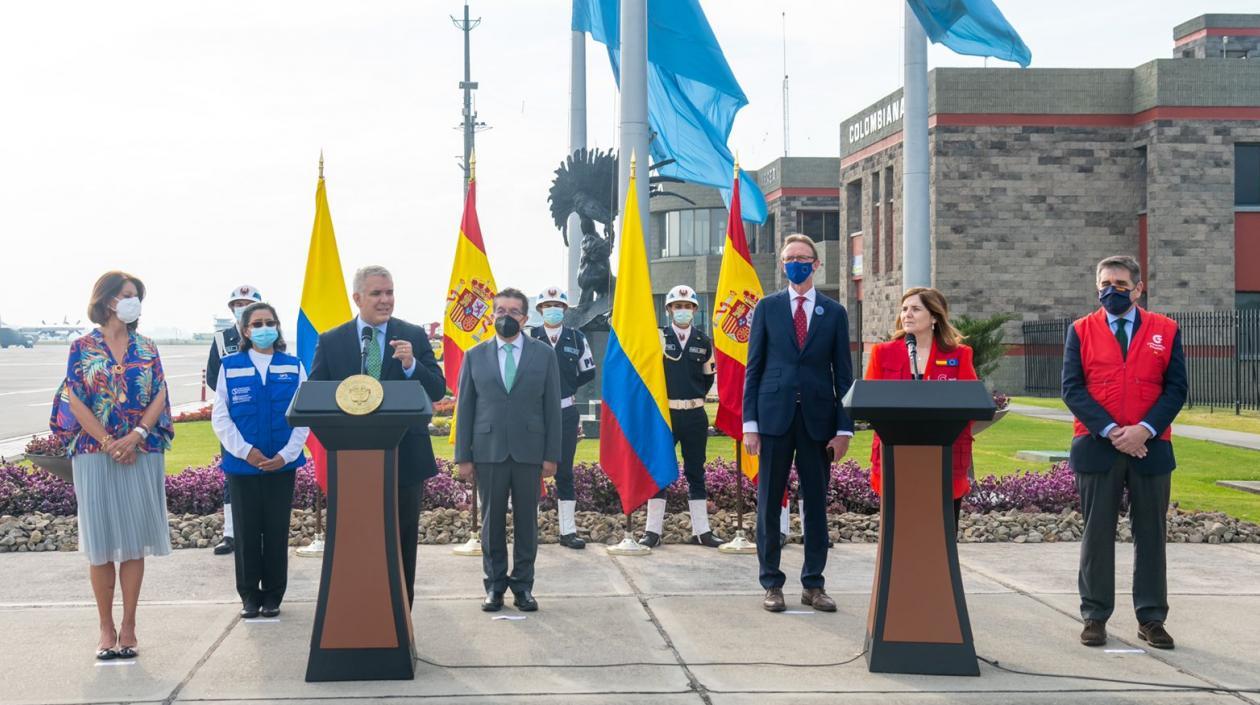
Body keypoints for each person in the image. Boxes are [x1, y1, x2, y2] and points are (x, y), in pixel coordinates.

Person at [1062, 255, 1186, 650]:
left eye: (1118, 284)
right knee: (1097, 534)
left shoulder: (1165, 330)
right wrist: (1113, 430)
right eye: (1104, 283)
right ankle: (1094, 615)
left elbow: (1176, 389)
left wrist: (1144, 431)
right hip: (1097, 445)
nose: (1109, 291)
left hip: (1151, 448)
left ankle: (1151, 618)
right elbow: (1072, 389)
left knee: (1151, 533)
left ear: (1138, 288)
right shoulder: (1080, 330)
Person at [50, 271, 173, 660]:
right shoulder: (81, 347)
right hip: (94, 452)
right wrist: (108, 442)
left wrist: (136, 435)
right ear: (106, 301)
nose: (132, 301)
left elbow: (159, 394)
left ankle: (130, 624)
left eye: (136, 295)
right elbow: (75, 399)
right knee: (101, 544)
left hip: (141, 450)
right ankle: (106, 627)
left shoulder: (148, 347)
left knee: (133, 541)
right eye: (126, 294)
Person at [308, 265, 445, 608]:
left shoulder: (411, 335)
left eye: (390, 292)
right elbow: (315, 394)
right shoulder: (332, 340)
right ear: (357, 298)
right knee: (359, 541)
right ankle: (361, 612)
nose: (385, 300)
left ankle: (401, 614)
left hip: (405, 459)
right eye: (376, 294)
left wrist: (413, 364)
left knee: (401, 541)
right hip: (352, 462)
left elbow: (439, 388)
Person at [743, 234, 853, 613]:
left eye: (803, 258)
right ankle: (772, 583)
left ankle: (814, 585)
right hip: (773, 420)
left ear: (816, 264)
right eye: (790, 258)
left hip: (818, 424)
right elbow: (753, 369)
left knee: (816, 506)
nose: (796, 263)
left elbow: (844, 377)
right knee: (769, 504)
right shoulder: (767, 308)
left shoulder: (834, 312)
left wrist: (844, 428)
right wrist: (749, 424)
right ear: (783, 265)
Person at [455, 288, 562, 612]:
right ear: (492, 315)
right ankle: (495, 587)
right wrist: (463, 455)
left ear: (525, 318)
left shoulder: (544, 354)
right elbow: (466, 407)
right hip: (488, 451)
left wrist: (551, 455)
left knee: (527, 523)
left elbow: (552, 408)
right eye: (500, 311)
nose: (506, 317)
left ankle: (523, 587)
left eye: (513, 311)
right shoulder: (474, 355)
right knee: (491, 524)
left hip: (530, 451)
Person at [211, 302, 309, 619]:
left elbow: (303, 416)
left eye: (269, 322)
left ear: (277, 327)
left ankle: (273, 596)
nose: (264, 328)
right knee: (247, 531)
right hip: (243, 467)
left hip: (282, 465)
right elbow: (221, 419)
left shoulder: (294, 367)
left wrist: (285, 455)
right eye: (257, 324)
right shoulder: (231, 366)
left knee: (277, 530)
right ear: (245, 331)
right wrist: (247, 452)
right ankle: (250, 596)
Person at [865, 288, 977, 527]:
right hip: (896, 457)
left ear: (934, 317)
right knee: (902, 531)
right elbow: (870, 403)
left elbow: (971, 404)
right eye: (904, 309)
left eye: (916, 309)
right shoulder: (883, 353)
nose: (907, 314)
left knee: (940, 532)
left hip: (945, 458)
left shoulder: (959, 354)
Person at [640, 285, 723, 548]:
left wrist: (693, 395)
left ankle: (702, 531)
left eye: (688, 307)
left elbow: (709, 377)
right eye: (678, 306)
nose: (683, 311)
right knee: (659, 472)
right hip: (666, 415)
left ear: (695, 311)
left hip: (695, 415)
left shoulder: (703, 341)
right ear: (669, 310)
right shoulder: (658, 338)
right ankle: (652, 532)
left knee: (696, 471)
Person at [530, 286, 596, 549]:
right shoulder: (530, 338)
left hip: (566, 411)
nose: (553, 310)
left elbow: (587, 373)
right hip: (534, 412)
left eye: (558, 306)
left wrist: (565, 387)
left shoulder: (576, 338)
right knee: (531, 469)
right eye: (547, 306)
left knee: (565, 471)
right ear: (539, 310)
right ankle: (529, 528)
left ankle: (568, 531)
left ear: (565, 310)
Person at [205, 284, 265, 556]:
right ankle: (231, 533)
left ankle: (263, 530)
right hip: (234, 418)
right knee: (232, 474)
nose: (241, 308)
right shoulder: (221, 339)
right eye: (237, 305)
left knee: (266, 470)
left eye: (246, 303)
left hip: (264, 416)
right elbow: (213, 377)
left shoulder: (267, 334)